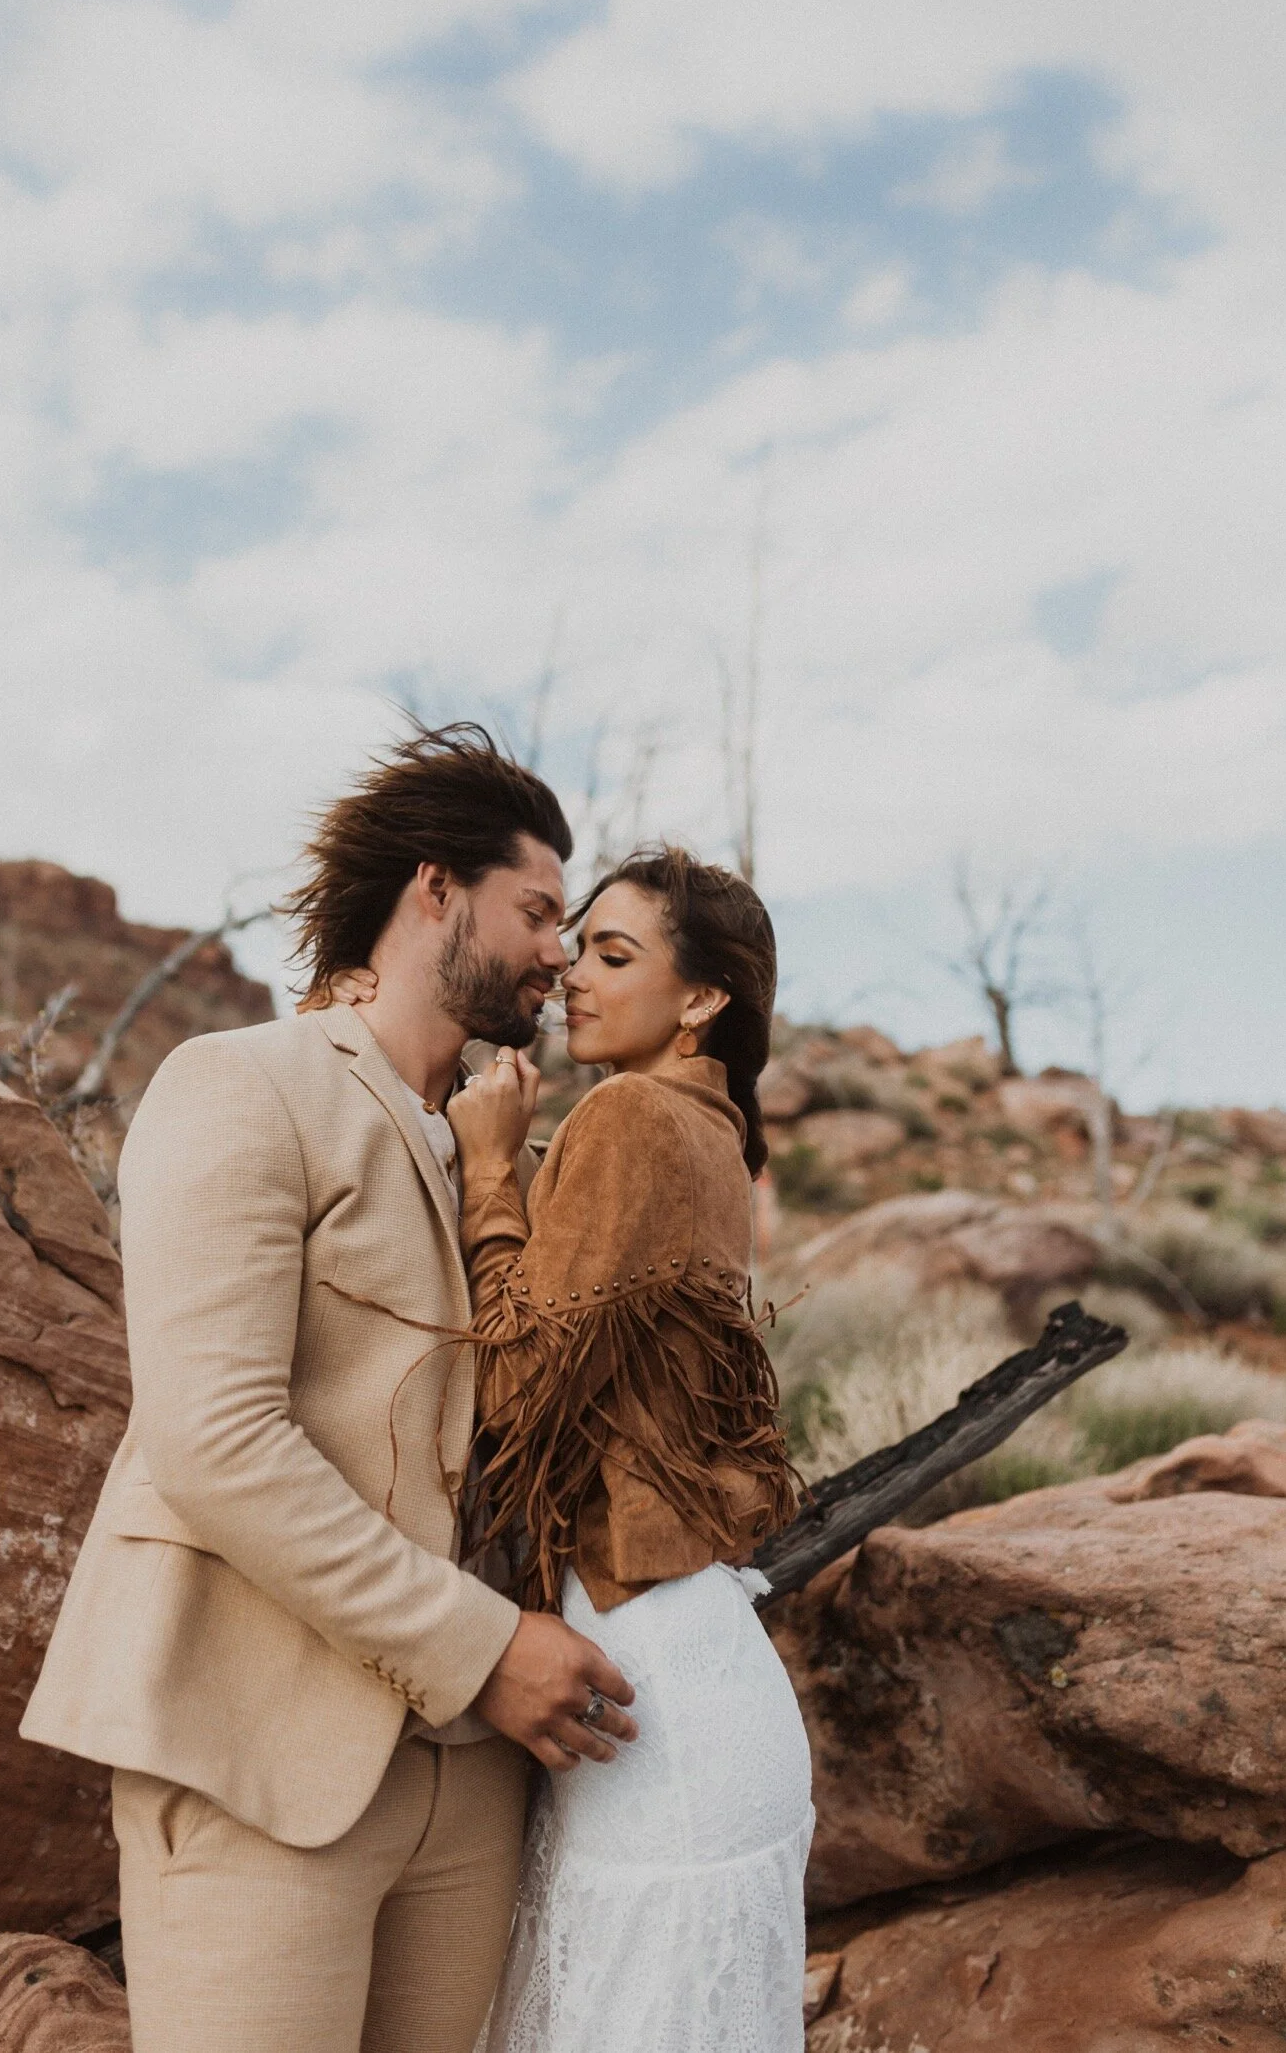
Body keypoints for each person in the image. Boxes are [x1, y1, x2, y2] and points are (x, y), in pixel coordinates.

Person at [20, 724, 638, 2053]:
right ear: (435, 889)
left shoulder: (507, 1156)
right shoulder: (243, 1084)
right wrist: (482, 1650)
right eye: (537, 912)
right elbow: (216, 1440)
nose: (559, 952)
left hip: (474, 1785)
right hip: (261, 1751)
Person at [451, 847, 815, 2053]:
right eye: (578, 950)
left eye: (613, 956)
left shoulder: (626, 1116)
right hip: (697, 1670)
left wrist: (490, 1173)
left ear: (703, 996)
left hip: (647, 1687)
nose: (573, 976)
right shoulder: (714, 1131)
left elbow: (516, 1388)